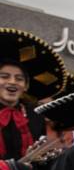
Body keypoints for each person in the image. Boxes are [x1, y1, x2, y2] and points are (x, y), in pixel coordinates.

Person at [0, 29, 66, 162]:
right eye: (4, 77)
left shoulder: (35, 116)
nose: (12, 82)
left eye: (19, 79)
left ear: (26, 86)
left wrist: (41, 159)